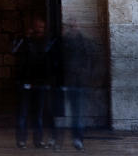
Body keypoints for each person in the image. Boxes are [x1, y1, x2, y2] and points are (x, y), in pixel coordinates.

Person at [14, 16, 58, 149]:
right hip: (26, 82)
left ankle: (38, 141)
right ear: (32, 27)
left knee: (38, 114)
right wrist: (25, 38)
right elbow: (14, 51)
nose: (39, 30)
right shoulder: (25, 41)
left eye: (42, 27)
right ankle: (21, 141)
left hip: (41, 82)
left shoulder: (47, 42)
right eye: (37, 27)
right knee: (23, 113)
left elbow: (49, 61)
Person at [60, 22, 94, 151]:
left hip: (80, 82)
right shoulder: (65, 43)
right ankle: (75, 137)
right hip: (70, 81)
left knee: (78, 113)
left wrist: (87, 74)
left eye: (75, 26)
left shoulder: (84, 43)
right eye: (71, 26)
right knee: (75, 112)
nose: (74, 28)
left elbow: (90, 61)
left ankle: (78, 138)